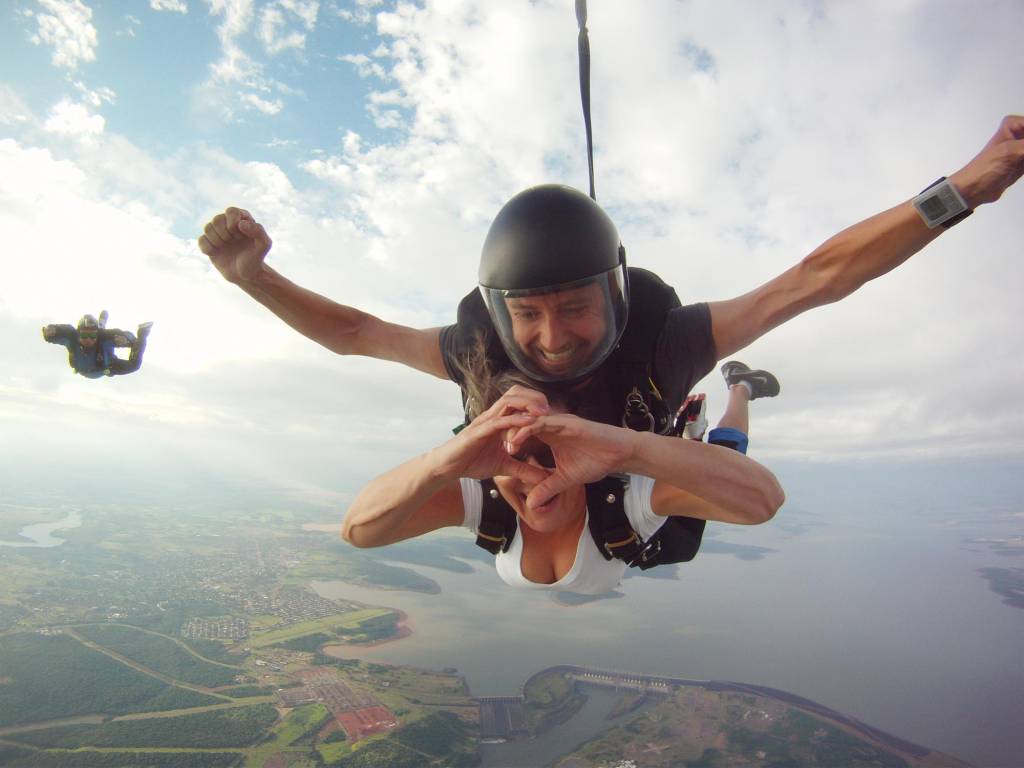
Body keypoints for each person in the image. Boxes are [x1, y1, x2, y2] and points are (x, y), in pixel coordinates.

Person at [197, 116, 1023, 430]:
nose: (551, 338)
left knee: (724, 454)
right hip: (544, 498)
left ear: (615, 294)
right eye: (528, 314)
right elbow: (355, 334)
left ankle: (741, 385)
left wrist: (963, 193)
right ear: (500, 312)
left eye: (575, 307)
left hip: (640, 466)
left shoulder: (666, 337)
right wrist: (251, 278)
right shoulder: (479, 351)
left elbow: (812, 279)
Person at [341, 356, 783, 594]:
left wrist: (631, 449)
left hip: (658, 524)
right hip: (634, 530)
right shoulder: (485, 493)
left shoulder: (628, 497)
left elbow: (762, 500)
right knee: (704, 458)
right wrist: (442, 465)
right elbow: (359, 530)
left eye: (551, 451)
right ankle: (688, 435)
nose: (534, 476)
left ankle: (739, 387)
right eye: (514, 458)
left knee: (723, 455)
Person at [43, 313, 153, 378]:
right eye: (85, 335)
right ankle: (101, 324)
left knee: (134, 365)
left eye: (92, 335)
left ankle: (144, 332)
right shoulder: (72, 336)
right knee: (102, 334)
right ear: (78, 334)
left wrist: (127, 340)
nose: (88, 340)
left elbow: (130, 339)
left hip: (106, 366)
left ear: (97, 335)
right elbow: (59, 331)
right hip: (86, 370)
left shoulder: (104, 337)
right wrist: (50, 331)